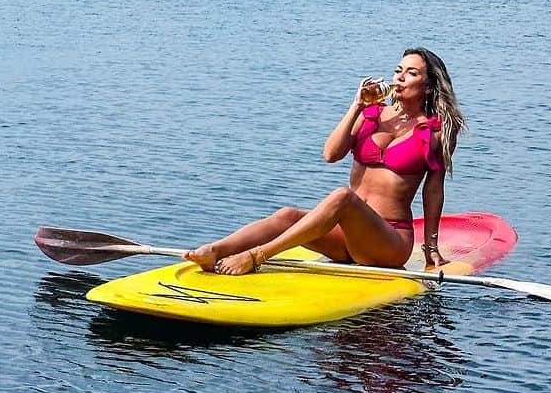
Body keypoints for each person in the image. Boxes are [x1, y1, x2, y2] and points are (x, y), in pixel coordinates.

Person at [185, 47, 466, 276]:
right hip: (346, 239)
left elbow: (433, 191)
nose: (400, 77)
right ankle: (216, 250)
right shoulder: (372, 114)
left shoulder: (436, 131)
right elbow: (331, 154)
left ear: (428, 87)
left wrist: (431, 247)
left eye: (411, 73)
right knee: (287, 215)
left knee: (343, 197)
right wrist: (356, 106)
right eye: (398, 70)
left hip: (388, 242)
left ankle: (257, 256)